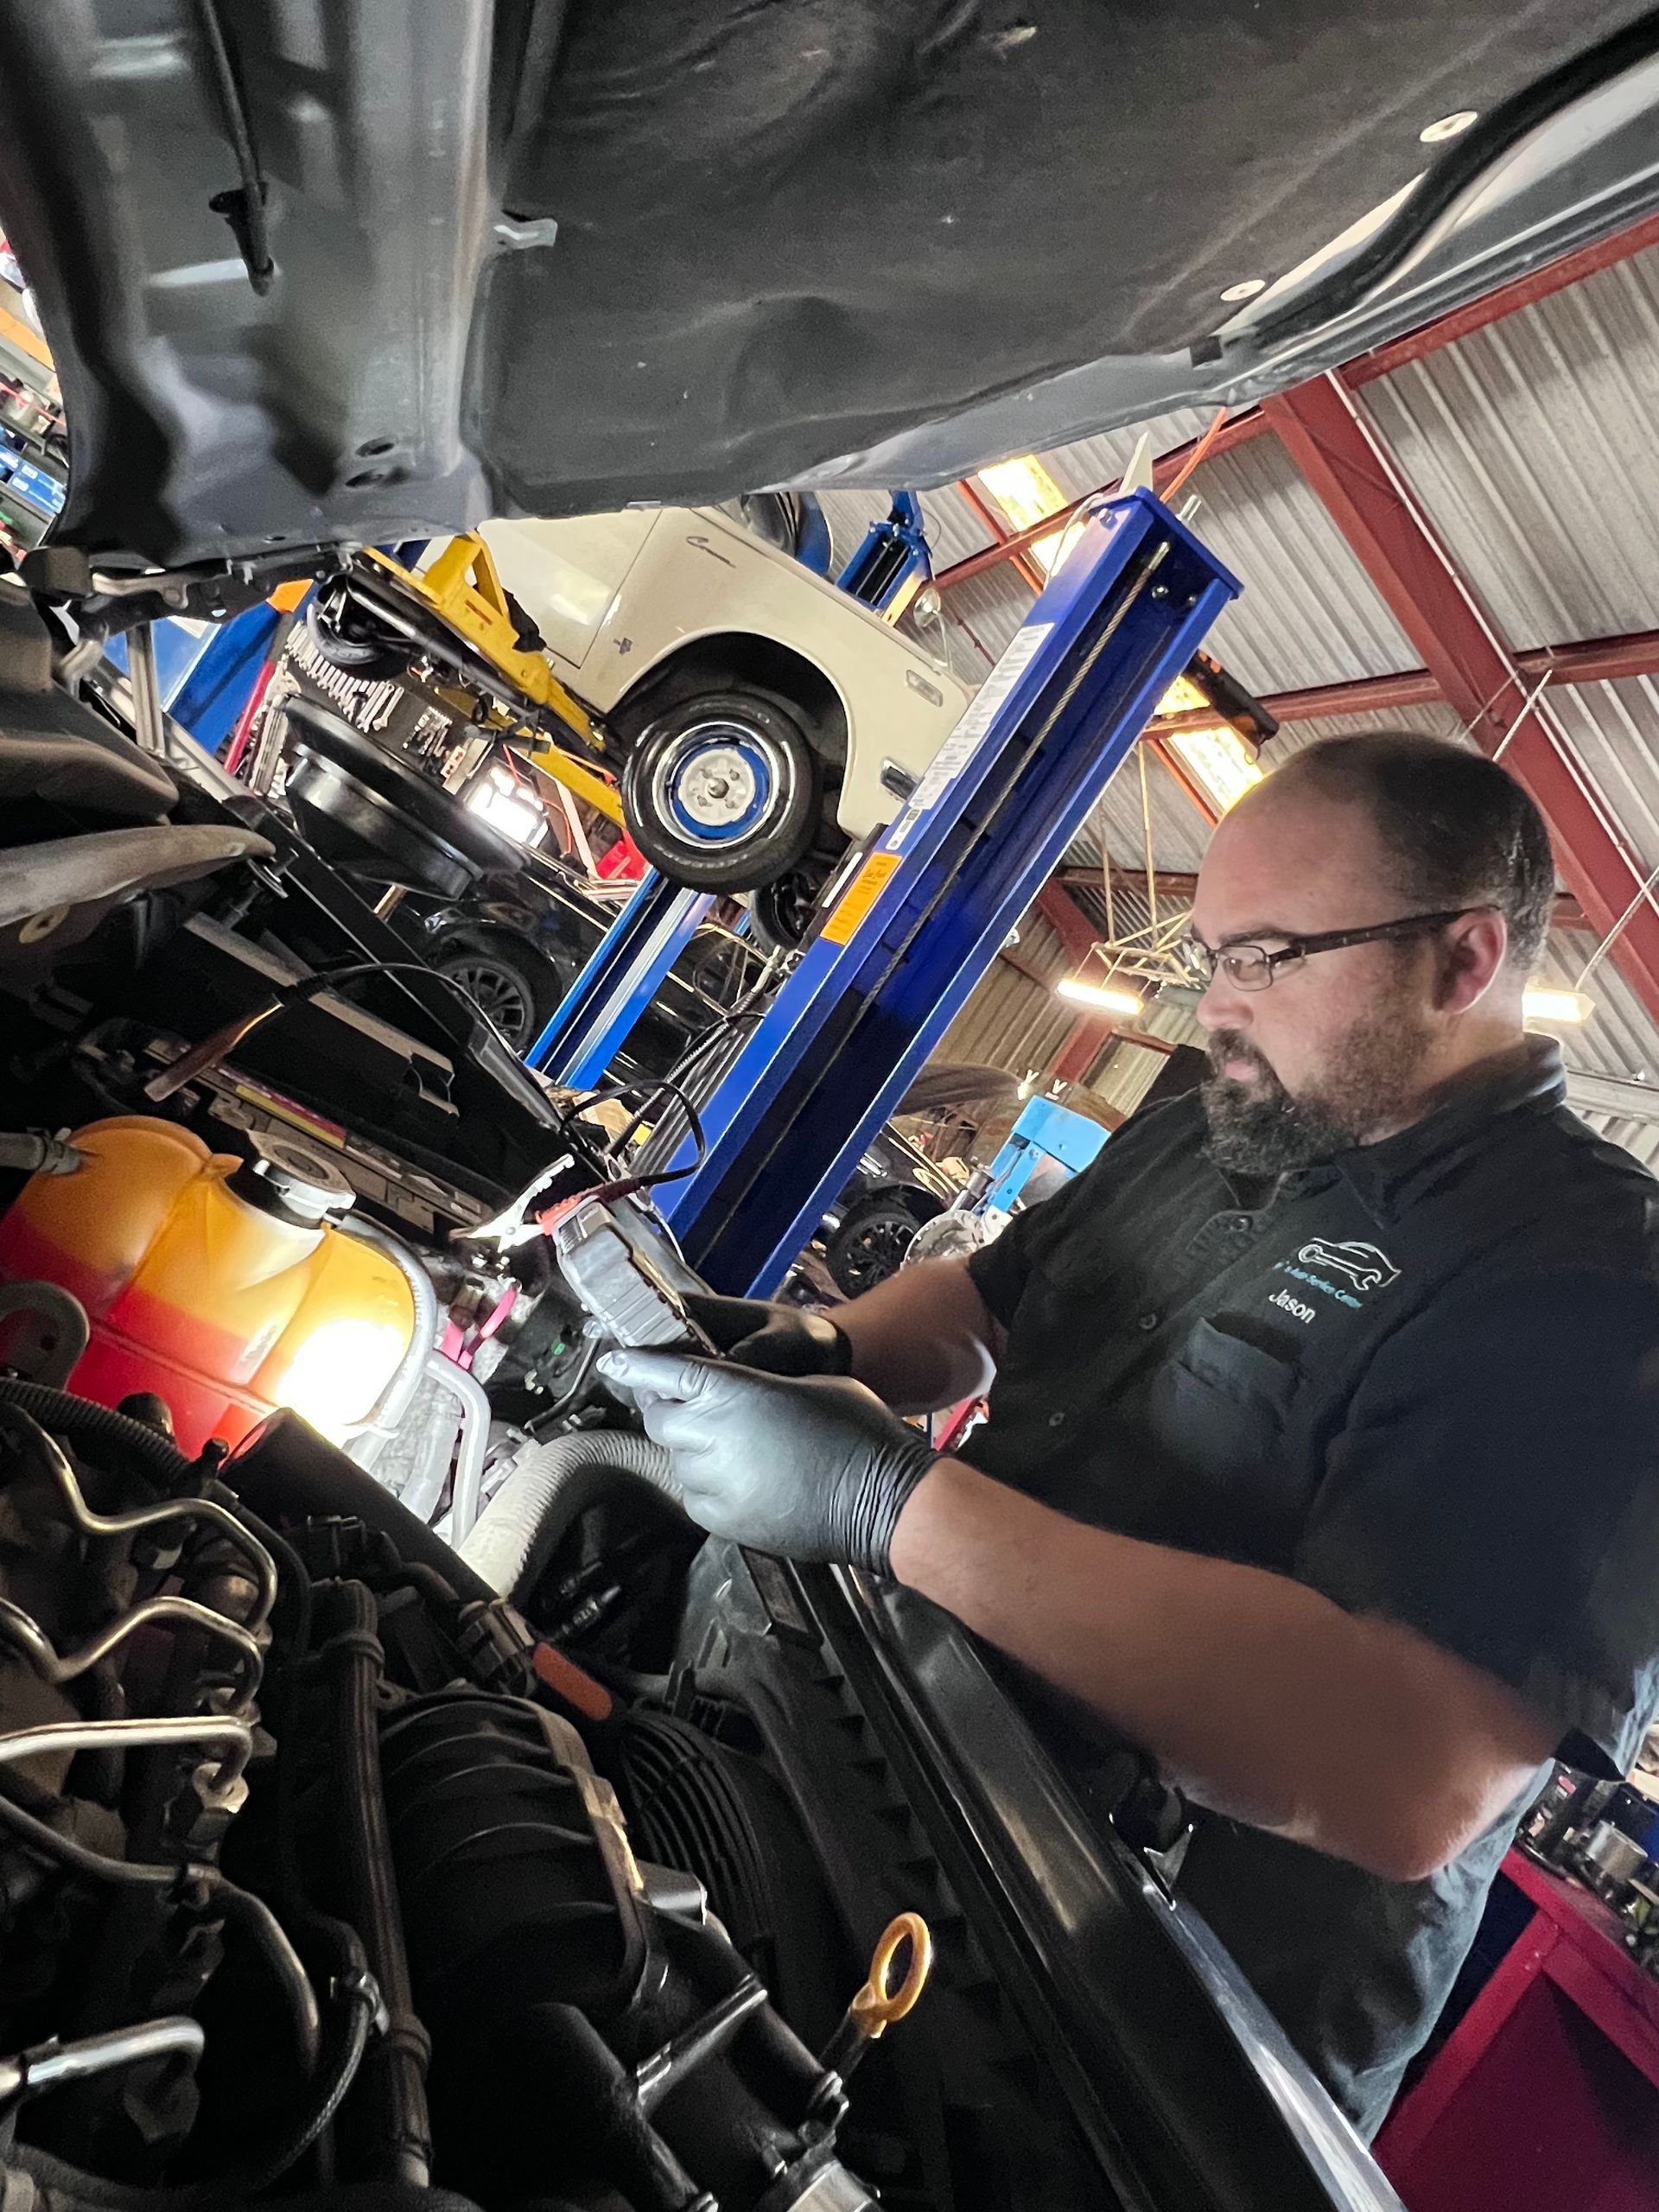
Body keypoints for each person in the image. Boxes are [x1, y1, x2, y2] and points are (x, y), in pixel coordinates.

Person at [601, 734, 1659, 2136]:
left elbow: (1411, 1772)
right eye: (1210, 957)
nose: (1216, 1006)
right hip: (910, 1775)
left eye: (1266, 958)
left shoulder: (1592, 1284)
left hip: (1139, 2027)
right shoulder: (1232, 1112)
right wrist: (828, 1346)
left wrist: (890, 1507)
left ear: (1462, 961)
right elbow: (993, 1299)